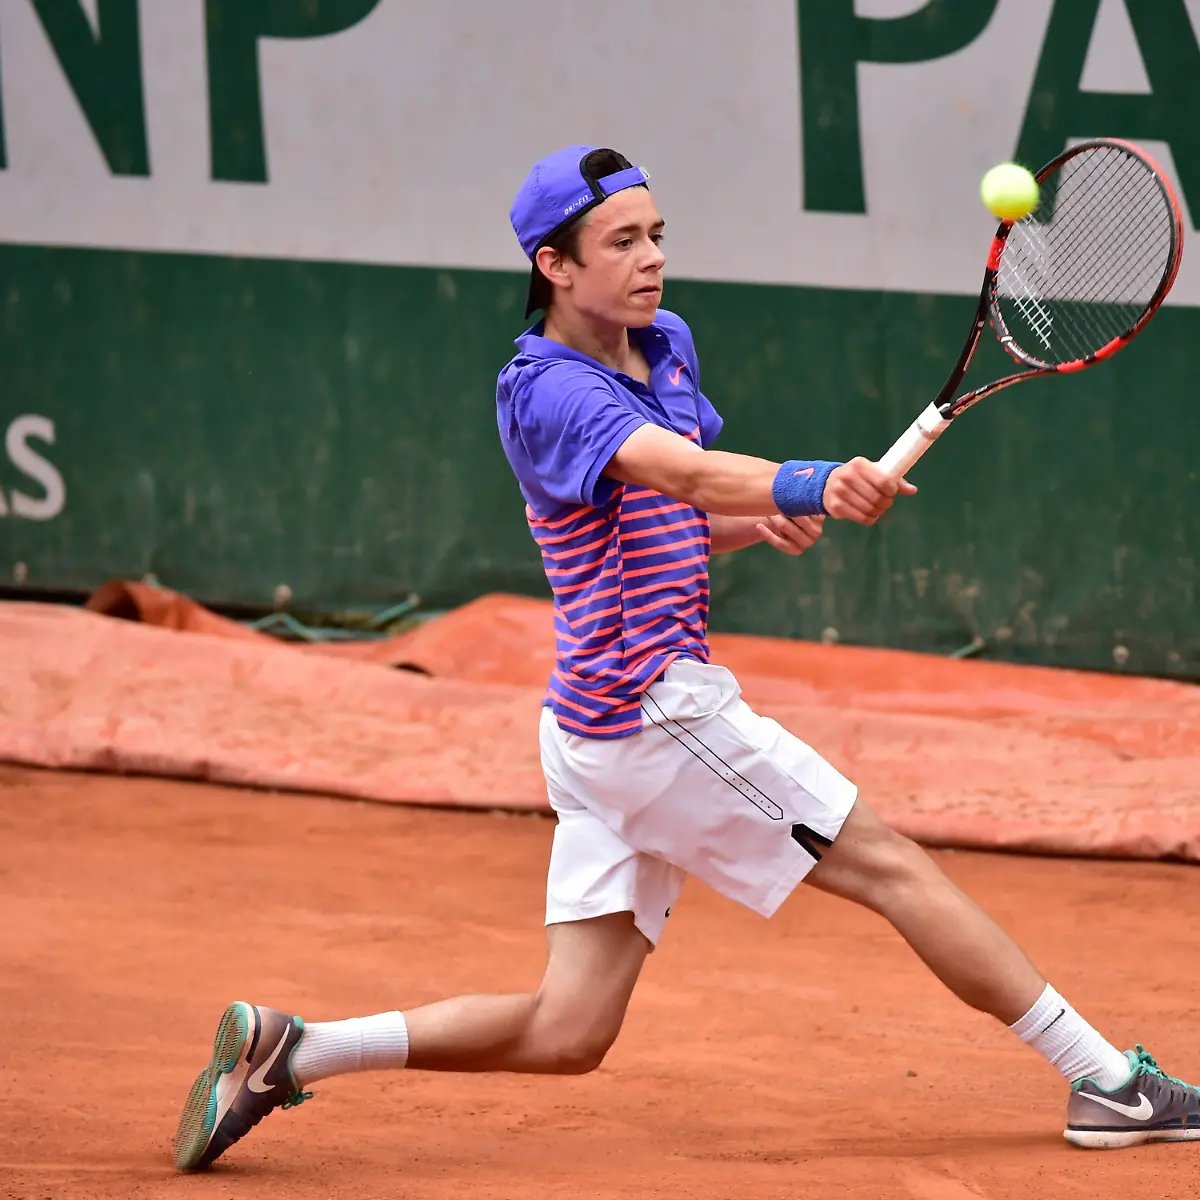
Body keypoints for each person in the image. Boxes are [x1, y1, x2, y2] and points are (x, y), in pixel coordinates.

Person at [172, 145, 1200, 1171]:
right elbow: (687, 472)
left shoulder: (664, 345)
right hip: (652, 715)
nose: (652, 257)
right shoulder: (546, 389)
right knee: (893, 867)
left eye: (656, 235)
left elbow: (680, 514)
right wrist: (807, 482)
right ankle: (1109, 1082)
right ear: (554, 265)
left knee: (569, 1030)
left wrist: (765, 518)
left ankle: (297, 1050)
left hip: (595, 730)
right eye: (622, 241)